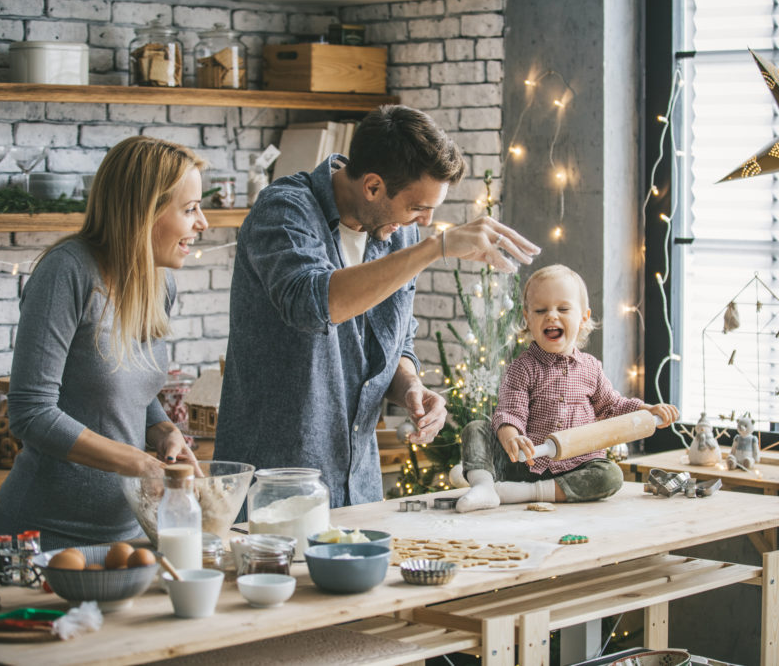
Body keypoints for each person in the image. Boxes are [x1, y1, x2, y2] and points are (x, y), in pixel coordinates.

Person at [214, 104, 541, 508]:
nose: (424, 221)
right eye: (418, 207)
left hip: (359, 486)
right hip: (277, 484)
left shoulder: (397, 234)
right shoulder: (284, 210)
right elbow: (313, 304)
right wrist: (434, 249)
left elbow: (396, 342)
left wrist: (411, 388)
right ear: (372, 186)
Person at [0, 136, 205, 550]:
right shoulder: (66, 272)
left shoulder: (159, 282)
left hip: (130, 534)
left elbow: (133, 392)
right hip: (43, 536)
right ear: (145, 212)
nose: (202, 223)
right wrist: (139, 462)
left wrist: (162, 432)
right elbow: (30, 413)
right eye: (190, 209)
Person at [456, 264, 679, 512]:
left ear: (583, 316)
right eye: (540, 310)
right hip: (526, 462)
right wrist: (513, 438)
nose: (551, 316)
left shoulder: (591, 368)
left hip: (576, 466)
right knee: (476, 429)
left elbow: (612, 407)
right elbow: (509, 413)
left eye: (563, 309)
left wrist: (646, 410)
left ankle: (524, 493)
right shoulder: (522, 368)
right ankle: (484, 486)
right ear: (527, 318)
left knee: (610, 476)